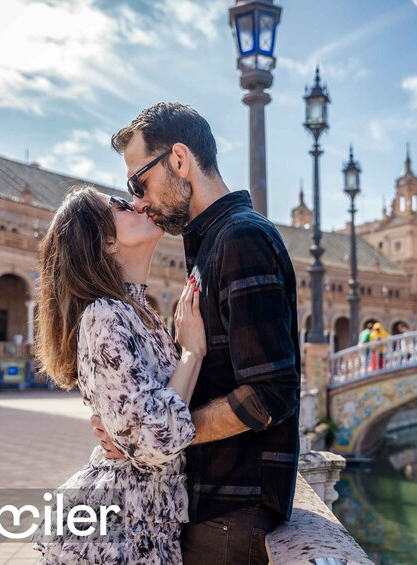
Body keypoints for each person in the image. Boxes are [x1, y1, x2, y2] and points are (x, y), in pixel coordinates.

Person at [95, 103, 301, 563]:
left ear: (180, 159)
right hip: (212, 502)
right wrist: (130, 425)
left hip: (234, 508)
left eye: (139, 182)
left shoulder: (241, 239)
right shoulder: (211, 245)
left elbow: (271, 392)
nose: (140, 201)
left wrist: (161, 434)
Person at [30, 185, 205, 563]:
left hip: (144, 522)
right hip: (123, 531)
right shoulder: (105, 314)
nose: (141, 204)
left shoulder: (139, 314)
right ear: (107, 243)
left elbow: (141, 425)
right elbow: (152, 441)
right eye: (124, 206)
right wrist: (192, 353)